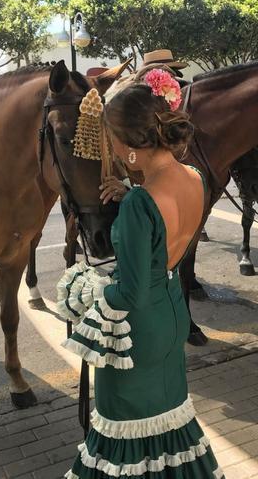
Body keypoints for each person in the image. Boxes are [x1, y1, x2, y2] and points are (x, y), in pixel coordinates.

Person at [58, 70, 222, 477]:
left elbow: (129, 293)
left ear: (132, 145)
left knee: (125, 436)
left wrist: (88, 291)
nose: (110, 147)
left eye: (111, 137)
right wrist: (131, 191)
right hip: (170, 318)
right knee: (169, 426)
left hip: (135, 333)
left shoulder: (139, 206)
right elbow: (166, 226)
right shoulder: (195, 178)